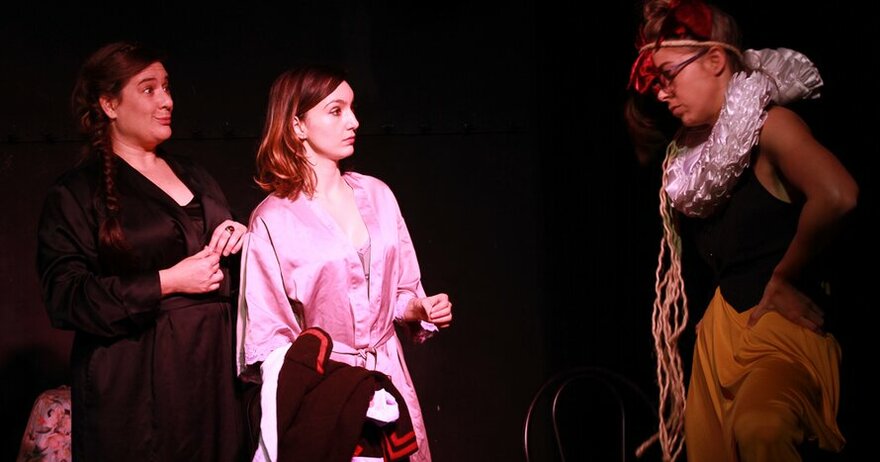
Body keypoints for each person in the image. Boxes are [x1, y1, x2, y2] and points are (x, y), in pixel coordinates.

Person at [625, 1, 858, 461]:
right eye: (656, 82)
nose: (662, 93)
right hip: (720, 339)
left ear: (715, 60)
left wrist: (785, 276)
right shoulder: (693, 155)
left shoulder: (772, 125)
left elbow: (838, 195)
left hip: (780, 331)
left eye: (669, 76)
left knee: (761, 428)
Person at [36, 41, 248, 461]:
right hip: (138, 382)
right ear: (110, 104)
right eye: (148, 89)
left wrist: (236, 234)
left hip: (212, 373)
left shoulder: (194, 173)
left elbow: (221, 252)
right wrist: (166, 282)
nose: (166, 100)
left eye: (166, 87)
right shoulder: (77, 191)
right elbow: (65, 296)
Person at [236, 64, 452, 462]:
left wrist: (417, 308)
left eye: (351, 109)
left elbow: (401, 288)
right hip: (327, 395)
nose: (353, 121)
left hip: (389, 380)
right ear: (297, 125)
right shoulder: (273, 219)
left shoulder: (378, 195)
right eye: (336, 111)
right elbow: (270, 337)